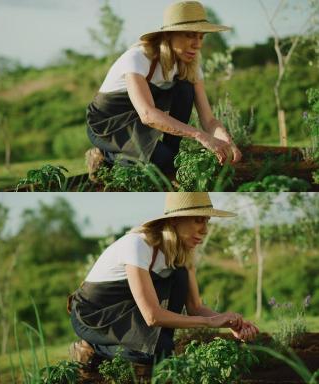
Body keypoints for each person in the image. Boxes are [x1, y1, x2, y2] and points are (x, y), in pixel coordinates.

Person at [68, 192, 259, 365]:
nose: (205, 230)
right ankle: (91, 347)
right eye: (199, 220)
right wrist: (210, 322)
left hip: (127, 312)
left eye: (207, 221)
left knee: (161, 345)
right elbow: (152, 317)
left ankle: (157, 342)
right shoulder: (138, 245)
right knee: (154, 353)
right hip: (94, 316)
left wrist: (229, 323)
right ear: (175, 220)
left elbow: (196, 308)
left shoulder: (183, 254)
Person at [85, 1, 242, 180]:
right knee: (154, 167)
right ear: (168, 36)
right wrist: (200, 136)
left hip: (140, 123)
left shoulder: (190, 64)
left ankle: (169, 154)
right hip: (108, 127)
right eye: (190, 35)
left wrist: (226, 142)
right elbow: (148, 115)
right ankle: (104, 154)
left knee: (185, 89)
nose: (197, 44)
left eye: (201, 37)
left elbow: (208, 119)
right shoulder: (138, 58)